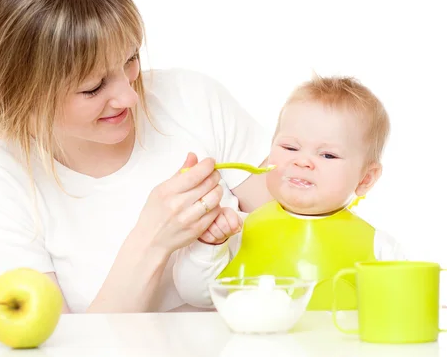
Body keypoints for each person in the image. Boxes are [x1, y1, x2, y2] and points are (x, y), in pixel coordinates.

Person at [0, 0, 274, 314]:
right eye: (93, 87)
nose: (129, 97)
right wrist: (152, 239)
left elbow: (300, 226)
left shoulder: (192, 100)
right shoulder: (1, 190)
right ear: (24, 93)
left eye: (130, 59)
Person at [173, 74, 406, 310]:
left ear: (366, 178)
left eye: (328, 155)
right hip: (255, 346)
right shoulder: (240, 230)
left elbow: (402, 308)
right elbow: (196, 296)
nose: (303, 161)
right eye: (290, 147)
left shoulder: (379, 248)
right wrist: (209, 244)